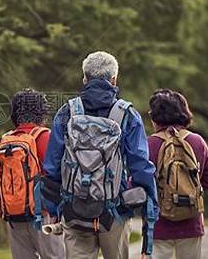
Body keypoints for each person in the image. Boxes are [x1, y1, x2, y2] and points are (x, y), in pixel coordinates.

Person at [43, 51, 158, 259]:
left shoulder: (67, 112)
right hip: (115, 212)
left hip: (73, 209)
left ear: (84, 79)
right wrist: (147, 205)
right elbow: (140, 166)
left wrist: (53, 209)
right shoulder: (127, 115)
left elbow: (51, 166)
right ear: (114, 79)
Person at [0, 88, 65, 259]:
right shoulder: (46, 137)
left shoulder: (7, 139)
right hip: (44, 215)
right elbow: (60, 174)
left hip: (14, 215)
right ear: (41, 111)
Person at [147, 89, 208, 259]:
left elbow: (139, 183)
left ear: (155, 117)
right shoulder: (197, 141)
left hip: (158, 224)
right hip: (192, 222)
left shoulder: (150, 143)